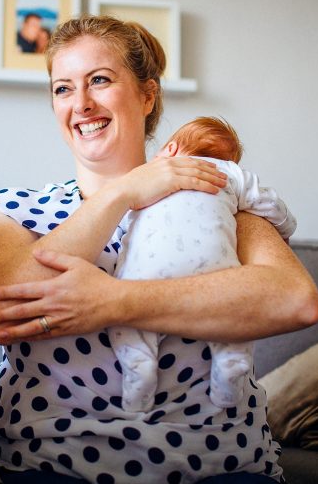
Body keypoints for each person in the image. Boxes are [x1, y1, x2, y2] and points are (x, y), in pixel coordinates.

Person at [0, 15, 318, 484]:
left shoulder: (208, 191)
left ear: (147, 95)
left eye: (99, 81)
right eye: (63, 89)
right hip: (51, 463)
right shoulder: (15, 209)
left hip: (219, 466)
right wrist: (122, 193)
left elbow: (296, 300)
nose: (82, 104)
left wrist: (113, 302)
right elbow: (0, 311)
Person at [109, 116, 297, 415]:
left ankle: (138, 370)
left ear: (169, 149)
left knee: (123, 318)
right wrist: (285, 230)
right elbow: (270, 204)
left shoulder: (146, 176)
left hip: (146, 272)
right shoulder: (231, 174)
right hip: (214, 269)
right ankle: (230, 363)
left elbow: (117, 219)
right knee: (233, 310)